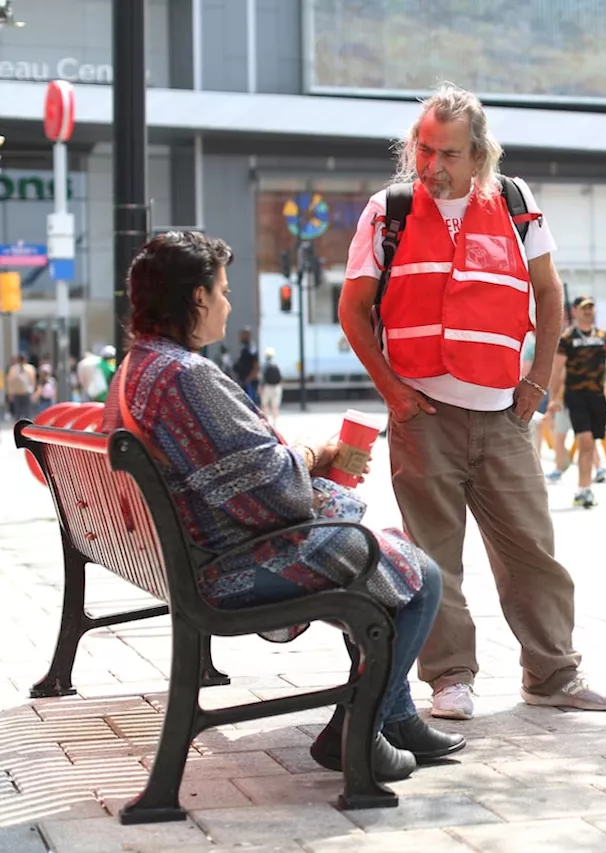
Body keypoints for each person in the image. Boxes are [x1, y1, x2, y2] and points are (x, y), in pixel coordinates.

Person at [104, 231, 464, 782]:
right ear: (196, 298)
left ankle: (392, 715)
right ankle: (357, 731)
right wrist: (316, 456)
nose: (227, 304)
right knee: (420, 574)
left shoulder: (139, 368)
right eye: (222, 291)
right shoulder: (185, 375)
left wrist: (309, 467)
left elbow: (243, 474)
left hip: (188, 554)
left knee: (387, 549)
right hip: (224, 569)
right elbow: (276, 491)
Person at [338, 83, 606, 721]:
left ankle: (552, 673)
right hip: (423, 417)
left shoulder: (517, 204)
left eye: (449, 155)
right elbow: (354, 311)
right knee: (435, 556)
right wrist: (394, 394)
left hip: (503, 415)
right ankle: (449, 678)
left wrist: (536, 383)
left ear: (479, 155)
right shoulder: (390, 211)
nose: (433, 166)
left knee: (532, 550)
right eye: (424, 149)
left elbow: (549, 296)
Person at [547, 295, 606, 509]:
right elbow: (557, 370)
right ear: (576, 311)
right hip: (575, 396)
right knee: (585, 440)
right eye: (584, 308)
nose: (588, 311)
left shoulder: (604, 337)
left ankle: (585, 487)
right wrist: (552, 398)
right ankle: (583, 489)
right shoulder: (567, 338)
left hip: (597, 397)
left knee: (591, 442)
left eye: (591, 308)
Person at [233, 327, 261, 406]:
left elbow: (256, 366)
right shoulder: (245, 348)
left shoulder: (251, 348)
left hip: (249, 382)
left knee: (251, 404)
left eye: (242, 335)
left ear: (247, 335)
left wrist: (248, 379)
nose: (240, 337)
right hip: (244, 381)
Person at [6, 354, 35, 421]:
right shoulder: (13, 369)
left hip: (25, 392)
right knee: (18, 412)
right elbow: (10, 381)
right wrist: (10, 393)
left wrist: (32, 392)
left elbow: (32, 381)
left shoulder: (29, 369)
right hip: (18, 392)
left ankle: (26, 424)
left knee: (26, 412)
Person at [260, 347, 283, 426]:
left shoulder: (264, 365)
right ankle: (275, 423)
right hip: (276, 387)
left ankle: (266, 421)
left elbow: (262, 378)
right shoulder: (276, 365)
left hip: (267, 387)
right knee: (275, 406)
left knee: (265, 404)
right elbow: (280, 378)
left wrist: (260, 387)